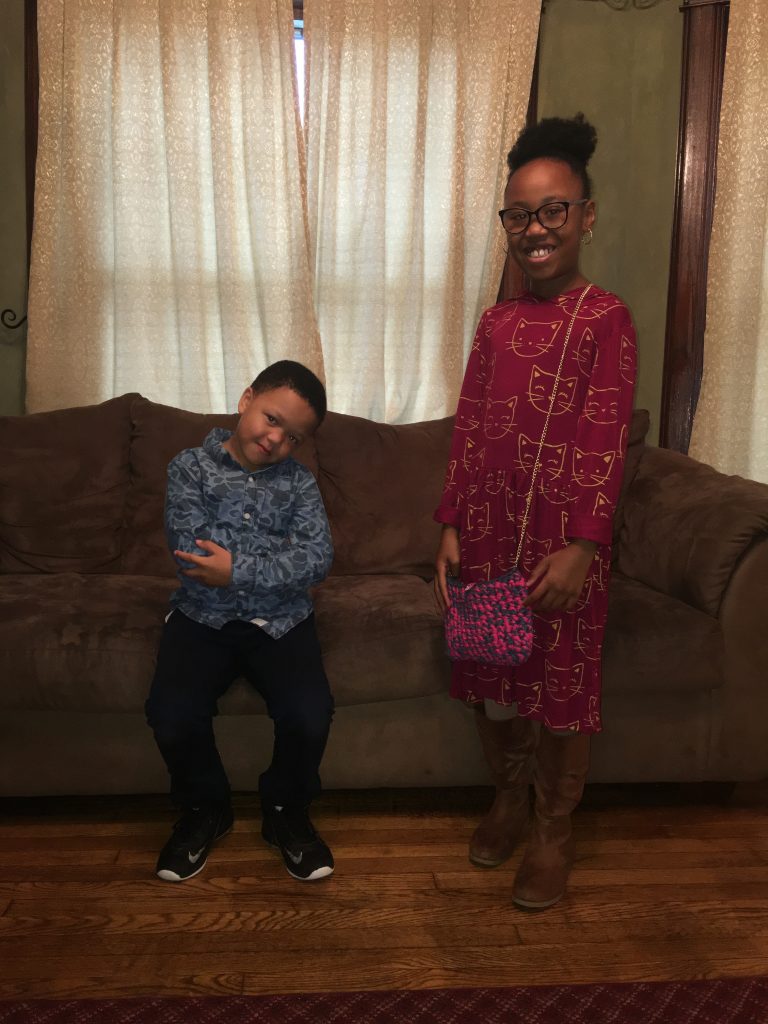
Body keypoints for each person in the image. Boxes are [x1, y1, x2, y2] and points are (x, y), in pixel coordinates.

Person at [433, 114, 637, 910]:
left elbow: (605, 440)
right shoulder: (495, 323)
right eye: (519, 215)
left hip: (563, 548)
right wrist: (450, 524)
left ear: (586, 216)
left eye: (553, 210)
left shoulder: (606, 319)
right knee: (492, 683)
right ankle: (509, 799)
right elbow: (469, 428)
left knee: (559, 697)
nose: (535, 229)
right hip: (487, 539)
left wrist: (585, 546)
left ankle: (553, 829)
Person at [146, 360, 335, 884]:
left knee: (310, 714)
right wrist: (273, 563)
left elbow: (317, 559)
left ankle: (285, 812)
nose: (276, 440)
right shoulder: (190, 468)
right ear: (246, 398)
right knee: (171, 713)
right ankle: (205, 808)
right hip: (201, 617)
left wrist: (237, 570)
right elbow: (193, 554)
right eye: (271, 419)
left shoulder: (300, 484)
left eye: (293, 437)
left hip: (281, 622)